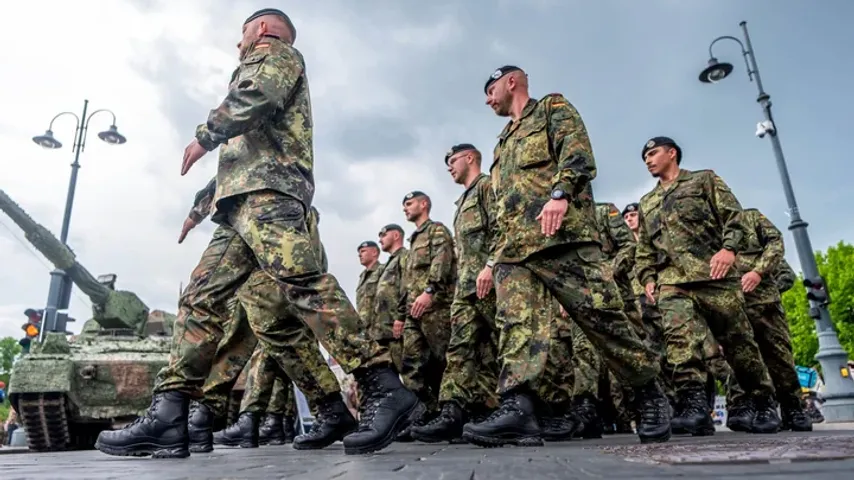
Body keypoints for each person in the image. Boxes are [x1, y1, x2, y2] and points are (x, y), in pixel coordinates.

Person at [95, 8, 422, 459]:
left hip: (270, 194)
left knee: (303, 285)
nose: (239, 43)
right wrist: (199, 208)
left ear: (262, 29)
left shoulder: (276, 53)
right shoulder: (259, 68)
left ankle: (382, 386)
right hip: (239, 205)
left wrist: (205, 135)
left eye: (243, 33)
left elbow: (258, 96)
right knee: (200, 298)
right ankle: (169, 413)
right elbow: (240, 160)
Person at [464, 65, 670, 447]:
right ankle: (518, 407)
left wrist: (560, 195)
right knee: (517, 327)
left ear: (511, 82)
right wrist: (494, 259)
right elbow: (503, 207)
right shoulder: (502, 143)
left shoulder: (551, 109)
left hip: (562, 238)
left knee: (603, 321)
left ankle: (648, 391)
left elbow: (577, 154)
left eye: (491, 90)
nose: (488, 100)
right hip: (515, 251)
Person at [634, 136, 780, 435]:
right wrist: (648, 277)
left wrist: (729, 249)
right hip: (673, 282)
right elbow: (645, 247)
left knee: (739, 345)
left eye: (653, 153)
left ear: (672, 153)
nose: (648, 160)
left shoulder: (704, 181)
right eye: (645, 157)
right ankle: (695, 408)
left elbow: (734, 216)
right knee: (679, 343)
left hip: (715, 277)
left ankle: (762, 401)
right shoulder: (647, 202)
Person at [411, 144, 499, 443]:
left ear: (470, 158)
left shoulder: (487, 186)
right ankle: (453, 412)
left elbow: (501, 227)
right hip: (466, 289)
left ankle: (537, 409)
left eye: (452, 160)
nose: (449, 167)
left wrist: (491, 265)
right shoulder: (462, 201)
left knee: (500, 347)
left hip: (491, 283)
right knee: (460, 348)